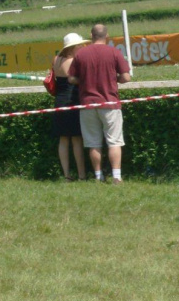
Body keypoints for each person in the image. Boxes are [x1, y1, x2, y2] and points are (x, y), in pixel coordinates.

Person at [68, 24, 131, 185]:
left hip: (88, 104)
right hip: (110, 103)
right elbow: (126, 77)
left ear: (91, 35)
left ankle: (98, 176)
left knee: (93, 143)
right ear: (107, 35)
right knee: (114, 141)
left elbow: (71, 78)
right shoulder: (114, 52)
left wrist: (85, 80)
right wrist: (113, 78)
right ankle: (116, 176)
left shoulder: (81, 54)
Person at [51, 33, 88, 182]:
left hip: (59, 101)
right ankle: (81, 175)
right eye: (79, 45)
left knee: (63, 139)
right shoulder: (73, 61)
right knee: (77, 140)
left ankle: (66, 174)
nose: (82, 47)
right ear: (73, 47)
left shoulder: (56, 59)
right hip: (72, 100)